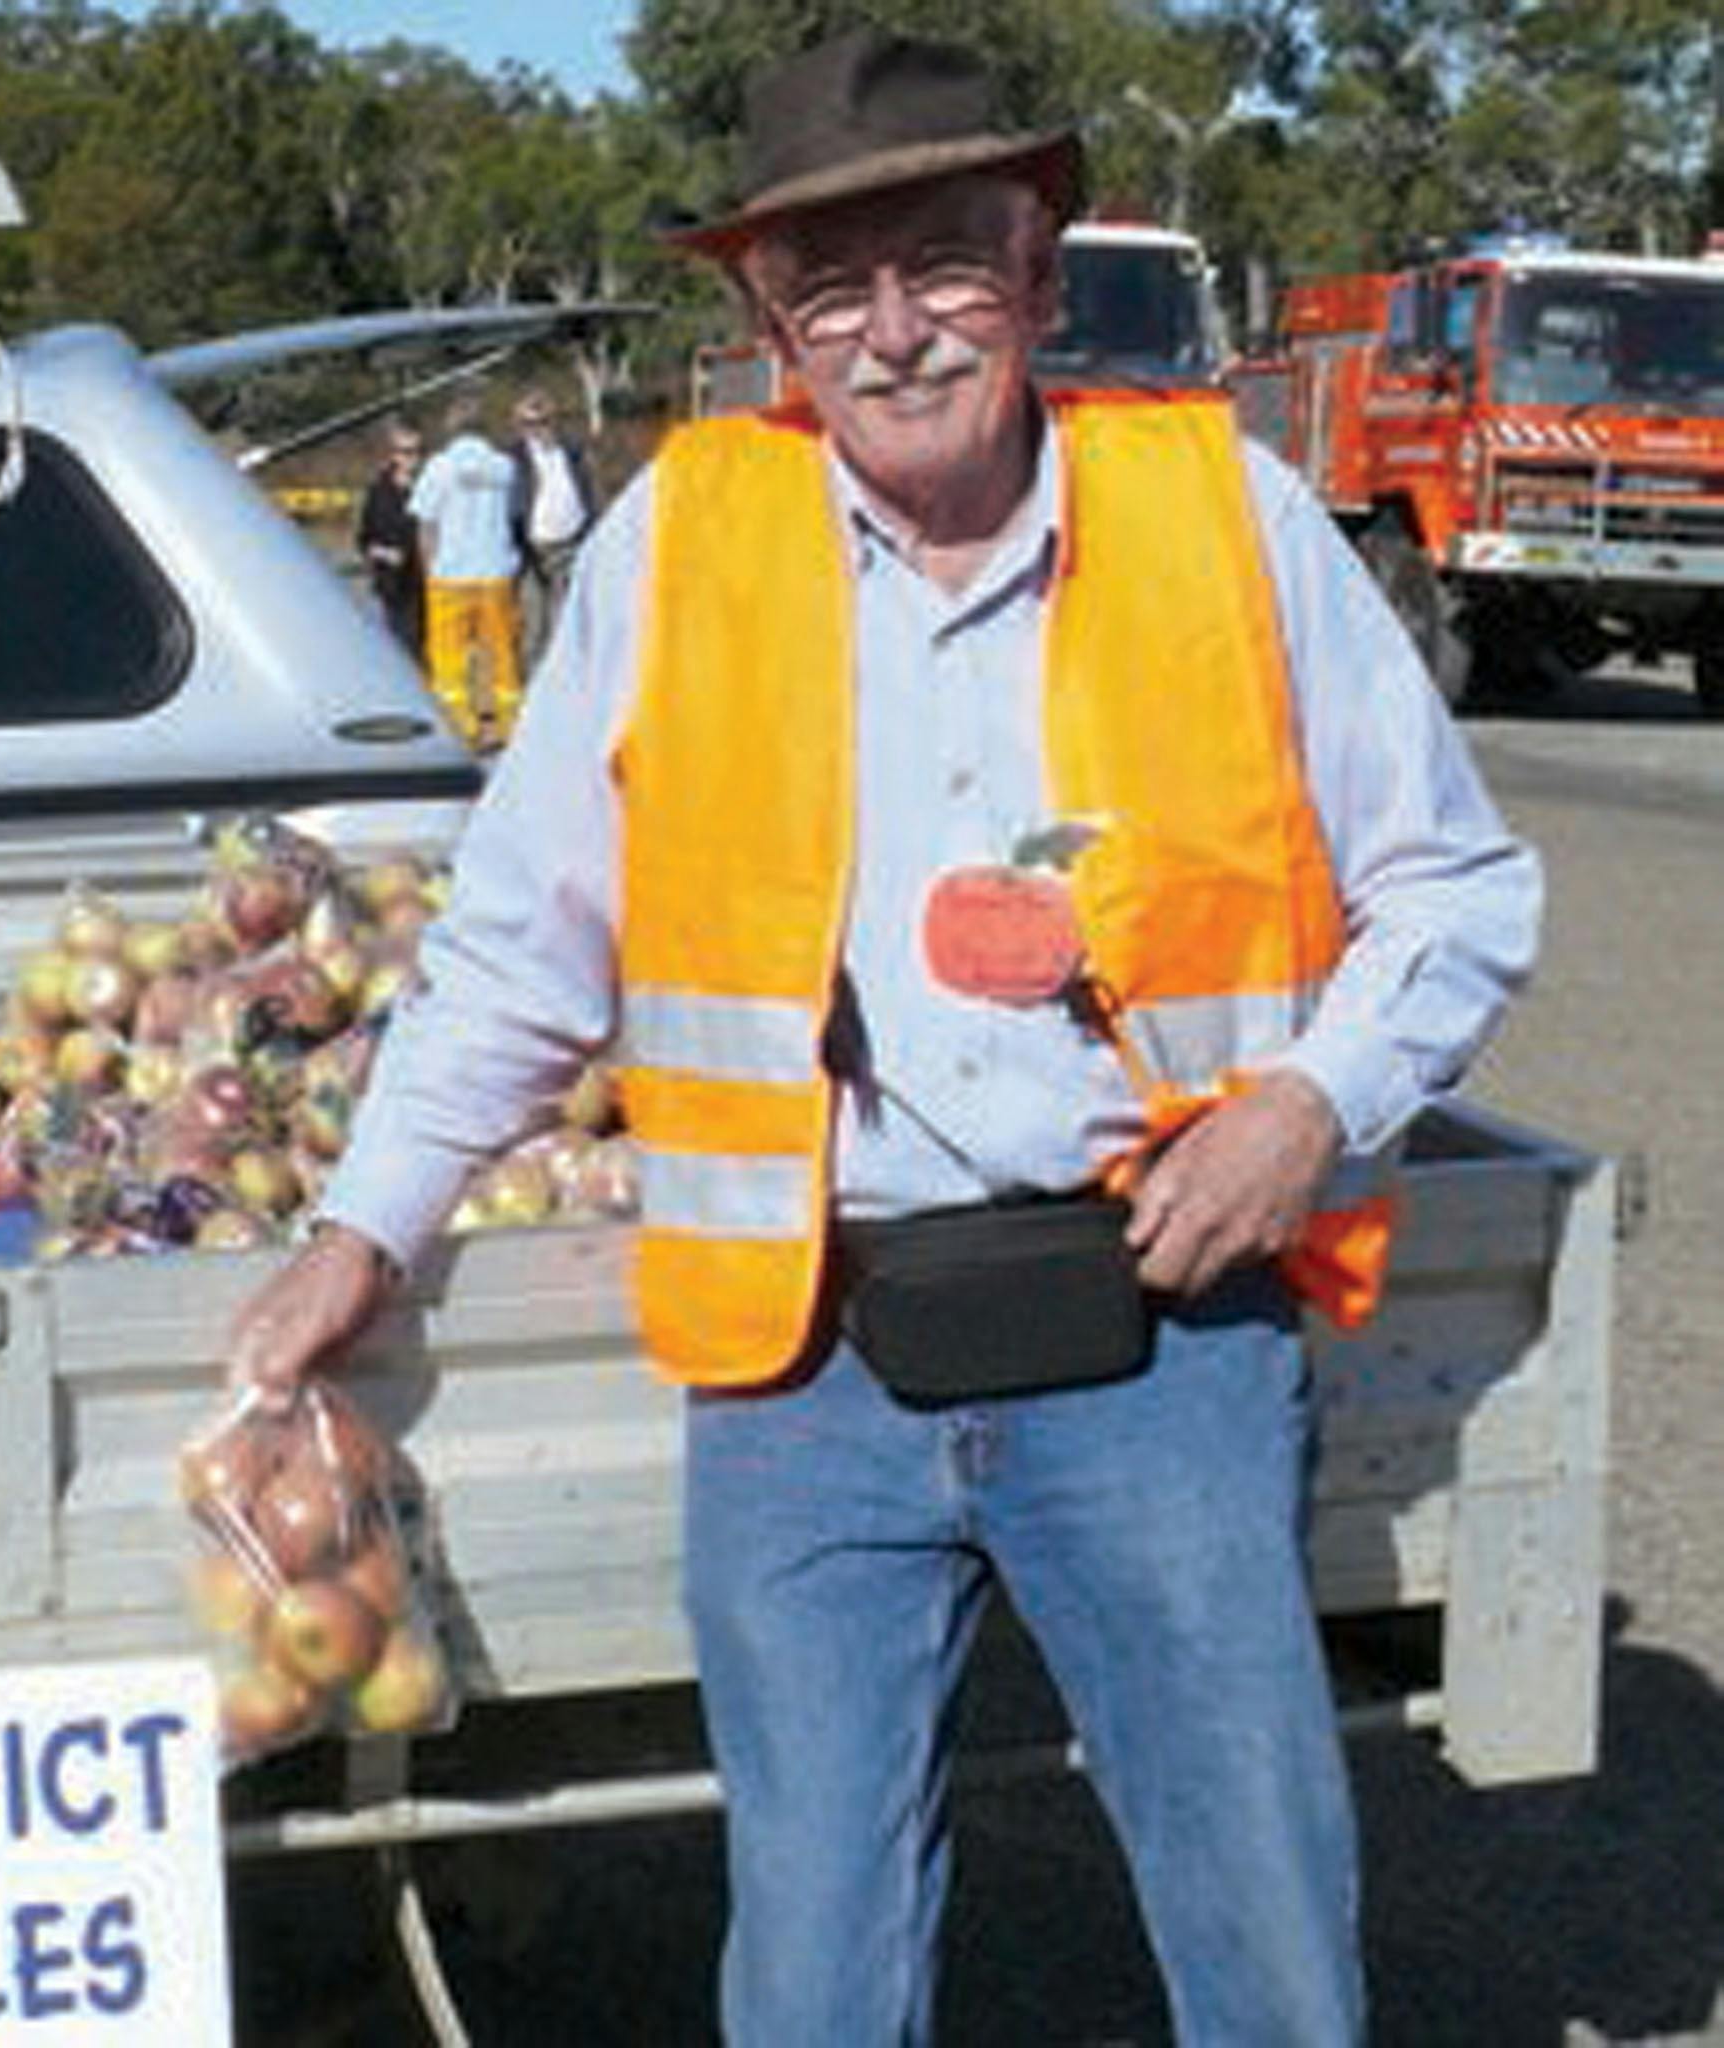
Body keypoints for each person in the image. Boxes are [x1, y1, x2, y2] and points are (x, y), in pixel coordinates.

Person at [226, 28, 1541, 2046]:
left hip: (1162, 1347)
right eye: (832, 286)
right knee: (817, 1965)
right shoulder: (679, 549)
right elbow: (519, 953)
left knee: (1263, 1927)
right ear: (767, 315)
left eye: (942, 264)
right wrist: (360, 1228)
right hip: (803, 1368)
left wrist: (1304, 1105)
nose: (895, 330)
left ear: (1033, 266)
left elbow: (1457, 889)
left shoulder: (1226, 512)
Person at [407, 390, 522, 750]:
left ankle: (463, 728)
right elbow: (515, 514)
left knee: (448, 659)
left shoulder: (439, 467)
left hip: (451, 573)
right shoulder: (504, 466)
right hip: (495, 572)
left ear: (451, 427)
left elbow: (426, 523)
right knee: (501, 653)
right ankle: (506, 726)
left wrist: (428, 571)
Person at [505, 385, 597, 666]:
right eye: (530, 423)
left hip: (571, 544)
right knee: (534, 624)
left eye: (544, 421)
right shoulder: (513, 458)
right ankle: (532, 687)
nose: (539, 429)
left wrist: (591, 529)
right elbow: (510, 506)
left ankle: (565, 683)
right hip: (531, 551)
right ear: (519, 426)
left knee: (566, 623)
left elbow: (589, 491)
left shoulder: (572, 451)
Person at [354, 416, 427, 661]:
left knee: (422, 651)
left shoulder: (431, 486)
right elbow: (364, 538)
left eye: (418, 451)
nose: (412, 458)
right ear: (393, 454)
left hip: (426, 584)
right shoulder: (378, 491)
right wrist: (383, 553)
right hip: (392, 586)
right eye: (406, 452)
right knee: (397, 652)